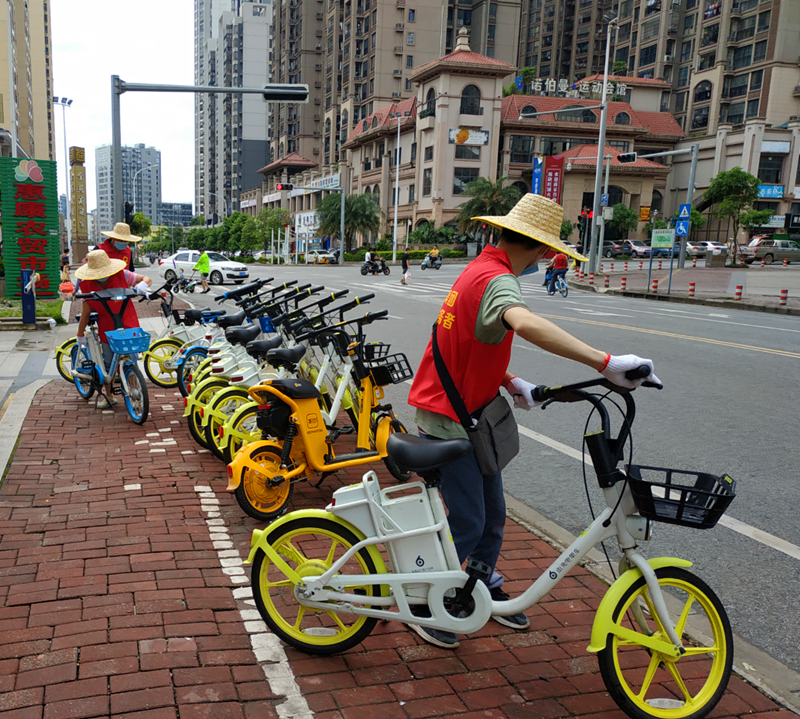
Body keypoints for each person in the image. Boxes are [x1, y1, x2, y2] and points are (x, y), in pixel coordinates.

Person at [406, 193, 659, 649]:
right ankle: (423, 602)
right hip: (451, 420)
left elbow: (464, 343)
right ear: (543, 250)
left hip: (463, 412)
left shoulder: (479, 268)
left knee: (493, 518)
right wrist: (605, 362)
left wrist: (510, 380)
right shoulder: (498, 279)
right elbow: (523, 322)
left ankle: (476, 586)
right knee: (469, 522)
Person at [74, 250, 153, 409]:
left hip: (127, 322)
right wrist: (80, 334)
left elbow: (146, 279)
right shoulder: (87, 285)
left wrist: (143, 285)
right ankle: (109, 396)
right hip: (107, 326)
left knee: (131, 360)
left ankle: (133, 389)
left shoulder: (122, 275)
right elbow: (85, 314)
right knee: (108, 362)